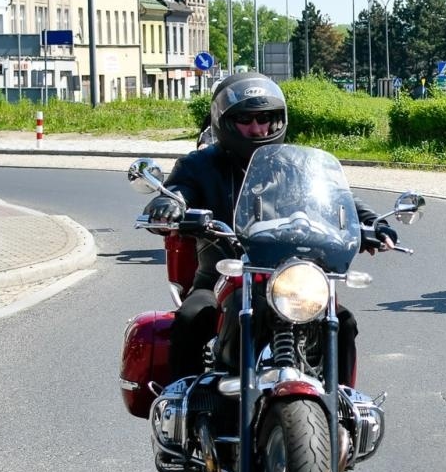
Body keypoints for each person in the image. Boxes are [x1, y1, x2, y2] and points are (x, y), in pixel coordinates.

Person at [140, 73, 397, 383]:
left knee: (342, 321)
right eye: (245, 119)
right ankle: (184, 399)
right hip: (222, 277)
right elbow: (179, 189)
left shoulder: (296, 165)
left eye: (265, 118)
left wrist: (372, 223)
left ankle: (341, 401)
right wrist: (170, 205)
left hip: (291, 277)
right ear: (224, 121)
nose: (257, 128)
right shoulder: (199, 165)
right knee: (193, 315)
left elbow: (339, 197)